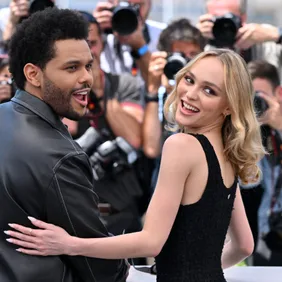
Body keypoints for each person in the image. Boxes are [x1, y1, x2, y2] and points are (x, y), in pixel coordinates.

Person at [6, 49, 266, 281]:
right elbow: (244, 245)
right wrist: (197, 270)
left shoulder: (182, 146)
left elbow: (150, 242)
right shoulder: (227, 153)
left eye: (209, 91)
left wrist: (70, 244)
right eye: (189, 79)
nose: (191, 94)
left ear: (228, 106)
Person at [0, 7, 128, 282]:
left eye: (89, 65)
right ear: (33, 74)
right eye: (72, 67)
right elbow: (99, 268)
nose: (86, 78)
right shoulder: (60, 157)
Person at [246, 60, 282, 266]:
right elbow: (249, 181)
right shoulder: (255, 131)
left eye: (259, 96)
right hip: (267, 237)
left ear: (279, 93)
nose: (255, 104)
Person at [197, 0, 282, 79]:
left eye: (227, 18)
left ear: (243, 18)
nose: (223, 25)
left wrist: (276, 34)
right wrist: (197, 38)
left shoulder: (263, 40)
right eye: (216, 18)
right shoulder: (199, 42)